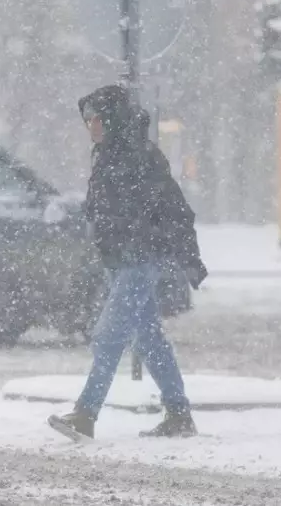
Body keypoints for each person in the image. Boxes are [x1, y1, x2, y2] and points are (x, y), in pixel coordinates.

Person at [48, 84, 207, 440]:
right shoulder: (108, 154)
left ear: (112, 119)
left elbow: (171, 207)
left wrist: (183, 255)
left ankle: (86, 414)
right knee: (148, 338)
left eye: (95, 118)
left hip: (140, 259)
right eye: (87, 119)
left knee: (108, 336)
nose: (90, 126)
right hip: (121, 260)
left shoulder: (139, 155)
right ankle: (179, 414)